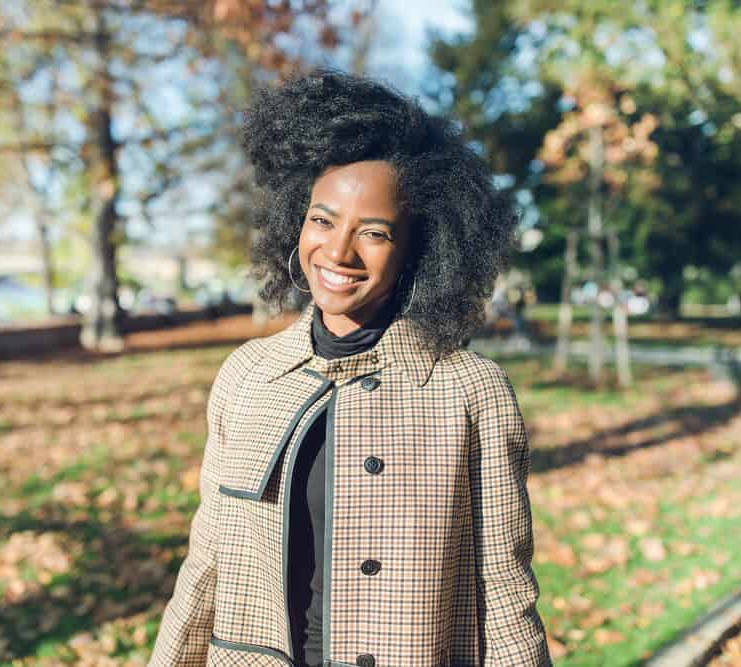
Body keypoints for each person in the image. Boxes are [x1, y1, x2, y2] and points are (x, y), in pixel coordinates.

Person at [147, 68, 550, 667]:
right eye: (323, 219)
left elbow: (503, 587)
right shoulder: (246, 376)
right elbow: (210, 556)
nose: (338, 253)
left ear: (418, 247)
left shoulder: (470, 391)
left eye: (375, 232)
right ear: (295, 220)